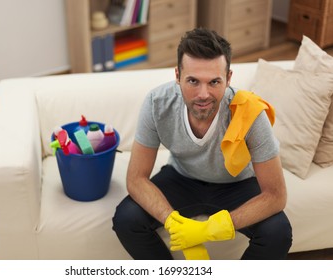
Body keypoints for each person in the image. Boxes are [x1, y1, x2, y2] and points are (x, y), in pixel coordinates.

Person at [112, 27, 292, 260]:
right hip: (181, 177)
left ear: (228, 79)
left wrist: (210, 230)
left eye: (214, 82)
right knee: (127, 219)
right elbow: (136, 179)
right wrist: (174, 223)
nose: (203, 94)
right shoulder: (157, 103)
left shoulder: (250, 114)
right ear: (177, 76)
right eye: (193, 81)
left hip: (236, 183)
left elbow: (276, 195)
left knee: (278, 233)